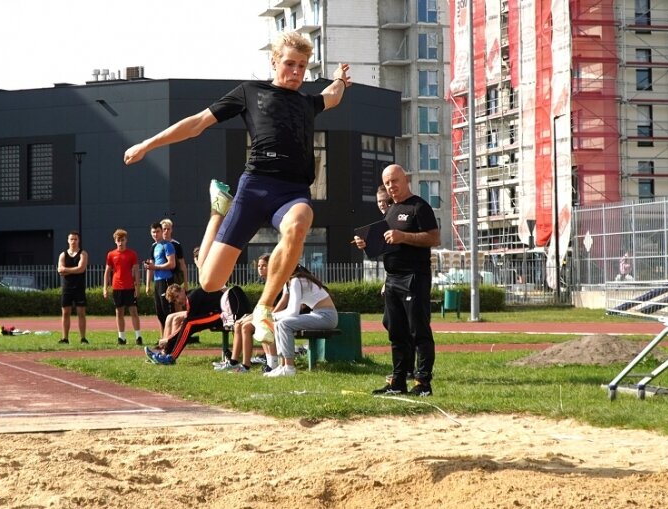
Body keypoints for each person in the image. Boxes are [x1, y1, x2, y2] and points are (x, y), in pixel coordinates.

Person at [124, 31, 351, 347]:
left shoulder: (306, 103)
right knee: (210, 281)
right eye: (289, 64)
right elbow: (197, 123)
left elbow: (334, 94)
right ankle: (218, 211)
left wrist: (339, 78)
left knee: (299, 224)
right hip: (255, 189)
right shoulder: (251, 93)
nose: (297, 72)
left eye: (302, 66)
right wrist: (148, 144)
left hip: (292, 192)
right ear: (273, 61)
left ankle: (264, 307)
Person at [353, 164, 440, 395]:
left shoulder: (419, 207)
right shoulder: (391, 211)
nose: (391, 186)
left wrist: (403, 236)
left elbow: (433, 238)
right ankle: (398, 382)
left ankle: (423, 383)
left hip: (414, 277)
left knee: (418, 331)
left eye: (395, 181)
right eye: (387, 182)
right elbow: (385, 244)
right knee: (396, 332)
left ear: (405, 179)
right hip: (392, 279)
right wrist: (366, 245)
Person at [145, 284, 249, 365]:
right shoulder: (190, 297)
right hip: (216, 314)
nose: (177, 301)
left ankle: (171, 357)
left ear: (182, 290)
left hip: (222, 315)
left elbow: (187, 324)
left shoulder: (191, 298)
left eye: (177, 296)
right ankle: (165, 354)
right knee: (188, 324)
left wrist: (168, 339)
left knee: (189, 323)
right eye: (174, 300)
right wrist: (169, 339)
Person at [263, 266, 338, 378]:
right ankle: (282, 366)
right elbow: (291, 309)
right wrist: (273, 317)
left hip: (326, 316)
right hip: (319, 314)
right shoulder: (291, 281)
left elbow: (293, 311)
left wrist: (272, 316)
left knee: (284, 324)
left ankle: (289, 368)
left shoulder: (296, 280)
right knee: (278, 324)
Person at [213, 253, 280, 373]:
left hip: (275, 316)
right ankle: (236, 362)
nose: (260, 268)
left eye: (264, 265)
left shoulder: (276, 281)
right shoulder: (267, 282)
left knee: (247, 326)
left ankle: (254, 365)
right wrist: (251, 315)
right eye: (259, 266)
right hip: (267, 314)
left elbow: (275, 306)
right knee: (239, 323)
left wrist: (255, 316)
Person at [103, 228, 143, 346]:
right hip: (117, 287)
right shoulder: (111, 254)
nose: (120, 242)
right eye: (118, 240)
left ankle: (138, 336)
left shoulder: (132, 254)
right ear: (115, 241)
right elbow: (107, 271)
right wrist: (105, 288)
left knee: (133, 311)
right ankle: (121, 337)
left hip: (130, 287)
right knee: (119, 312)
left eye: (123, 240)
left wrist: (138, 287)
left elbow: (136, 270)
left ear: (126, 240)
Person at [57, 231, 89, 345]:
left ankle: (83, 338)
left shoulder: (83, 254)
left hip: (79, 288)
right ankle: (65, 338)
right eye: (71, 239)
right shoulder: (63, 255)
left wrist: (66, 270)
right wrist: (72, 270)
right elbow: (59, 270)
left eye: (75, 239)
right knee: (65, 313)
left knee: (81, 313)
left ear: (78, 240)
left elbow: (81, 269)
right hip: (67, 288)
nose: (73, 241)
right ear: (68, 240)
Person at [145, 222, 177, 330]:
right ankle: (163, 338)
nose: (155, 234)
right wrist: (148, 285)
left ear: (162, 231)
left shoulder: (167, 245)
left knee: (167, 310)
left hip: (166, 280)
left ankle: (172, 338)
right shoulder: (154, 247)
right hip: (157, 281)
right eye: (153, 232)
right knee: (159, 312)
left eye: (158, 231)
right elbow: (151, 266)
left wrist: (156, 267)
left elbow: (172, 264)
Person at [160, 218, 189, 294]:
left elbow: (182, 264)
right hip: (161, 278)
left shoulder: (176, 245)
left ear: (171, 230)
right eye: (164, 229)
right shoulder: (156, 245)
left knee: (176, 301)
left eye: (168, 229)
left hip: (174, 278)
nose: (166, 231)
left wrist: (186, 282)